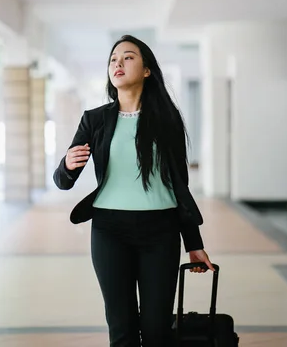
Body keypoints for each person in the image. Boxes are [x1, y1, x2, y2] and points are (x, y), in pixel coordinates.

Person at [53, 35, 214, 347]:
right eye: (114, 59)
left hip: (161, 231)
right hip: (109, 230)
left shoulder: (166, 119)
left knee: (157, 331)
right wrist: (68, 164)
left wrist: (193, 242)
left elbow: (180, 185)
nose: (118, 64)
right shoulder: (95, 119)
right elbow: (63, 180)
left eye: (127, 58)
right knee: (122, 328)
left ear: (146, 70)